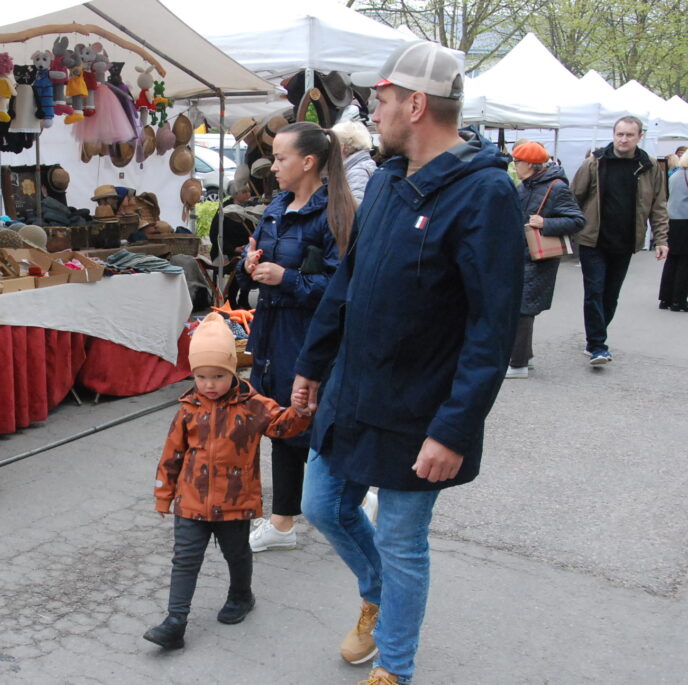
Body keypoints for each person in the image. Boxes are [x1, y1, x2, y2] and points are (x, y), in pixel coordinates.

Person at [292, 41, 524, 685]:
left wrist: (455, 429)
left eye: (383, 99)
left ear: (416, 104)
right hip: (353, 391)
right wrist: (313, 364)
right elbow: (347, 282)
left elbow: (491, 329)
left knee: (401, 541)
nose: (375, 110)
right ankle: (379, 594)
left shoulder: (486, 194)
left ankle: (395, 666)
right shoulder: (390, 180)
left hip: (421, 408)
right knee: (322, 505)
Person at [144, 312, 312, 650]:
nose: (209, 384)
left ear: (233, 371)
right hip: (191, 503)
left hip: (235, 502)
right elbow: (172, 455)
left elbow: (282, 426)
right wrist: (164, 495)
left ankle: (241, 595)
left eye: (218, 376)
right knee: (184, 559)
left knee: (236, 554)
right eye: (201, 376)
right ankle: (175, 621)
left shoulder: (253, 406)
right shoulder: (188, 409)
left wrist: (300, 411)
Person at [236, 121, 354, 553]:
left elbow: (343, 288)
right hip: (270, 332)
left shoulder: (336, 214)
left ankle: (343, 502)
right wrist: (248, 264)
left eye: (280, 158)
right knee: (280, 422)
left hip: (309, 337)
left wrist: (286, 278)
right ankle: (284, 522)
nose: (273, 166)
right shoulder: (277, 205)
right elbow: (256, 259)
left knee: (307, 423)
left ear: (307, 162)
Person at [571, 116, 669, 365]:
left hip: (625, 241)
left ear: (639, 137)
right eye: (620, 134)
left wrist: (661, 239)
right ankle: (598, 345)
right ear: (613, 134)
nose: (623, 139)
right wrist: (569, 229)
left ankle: (595, 338)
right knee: (594, 290)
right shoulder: (595, 162)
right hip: (593, 239)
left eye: (629, 135)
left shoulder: (649, 167)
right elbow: (574, 197)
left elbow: (658, 205)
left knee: (610, 295)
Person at [507, 142, 585, 378]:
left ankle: (518, 365)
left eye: (517, 161)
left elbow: (577, 220)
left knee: (523, 310)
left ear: (531, 163)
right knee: (522, 308)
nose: (514, 165)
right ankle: (525, 357)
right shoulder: (527, 185)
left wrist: (546, 223)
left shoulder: (556, 187)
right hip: (523, 255)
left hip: (539, 258)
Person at [209, 181, 256, 309]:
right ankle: (231, 298)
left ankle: (243, 298)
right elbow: (214, 236)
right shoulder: (224, 210)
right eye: (244, 192)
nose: (248, 194)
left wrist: (247, 247)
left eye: (249, 191)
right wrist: (233, 249)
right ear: (235, 194)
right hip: (224, 252)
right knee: (239, 263)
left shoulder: (250, 208)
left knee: (254, 261)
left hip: (244, 250)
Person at [659, 150, 688, 311]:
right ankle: (679, 300)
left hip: (672, 220)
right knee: (685, 262)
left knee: (672, 259)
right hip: (686, 220)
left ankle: (665, 299)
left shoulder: (675, 175)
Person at [332, 120, 378, 205]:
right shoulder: (359, 166)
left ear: (343, 147)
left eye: (332, 145)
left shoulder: (357, 173)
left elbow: (356, 208)